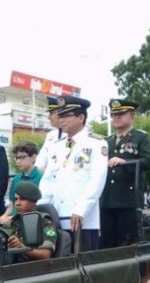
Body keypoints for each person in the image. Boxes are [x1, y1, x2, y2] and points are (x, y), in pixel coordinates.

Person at [38, 95, 108, 252]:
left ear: (81, 117)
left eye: (67, 115)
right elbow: (48, 180)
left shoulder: (96, 143)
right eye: (60, 115)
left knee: (84, 267)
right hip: (57, 217)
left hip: (82, 218)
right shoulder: (57, 146)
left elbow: (97, 179)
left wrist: (81, 209)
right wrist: (41, 208)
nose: (62, 120)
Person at [99, 99, 150, 249]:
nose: (116, 117)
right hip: (107, 199)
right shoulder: (106, 141)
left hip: (128, 199)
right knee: (106, 244)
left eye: (121, 114)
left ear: (132, 116)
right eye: (114, 114)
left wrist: (125, 162)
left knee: (127, 244)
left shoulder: (140, 137)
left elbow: (148, 162)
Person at [6, 181, 57, 261]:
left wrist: (22, 247)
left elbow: (45, 255)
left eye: (22, 199)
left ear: (34, 202)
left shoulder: (45, 222)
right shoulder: (12, 222)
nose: (17, 203)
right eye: (16, 199)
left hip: (33, 268)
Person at [0, 141, 42, 226]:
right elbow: (12, 206)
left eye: (22, 157)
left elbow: (40, 206)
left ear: (33, 157)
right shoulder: (16, 179)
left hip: (32, 223)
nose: (18, 161)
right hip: (15, 223)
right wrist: (4, 216)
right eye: (17, 158)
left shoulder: (42, 178)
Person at [35, 96, 63, 173]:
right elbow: (39, 164)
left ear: (60, 113)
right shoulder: (51, 136)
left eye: (51, 113)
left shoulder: (72, 135)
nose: (48, 117)